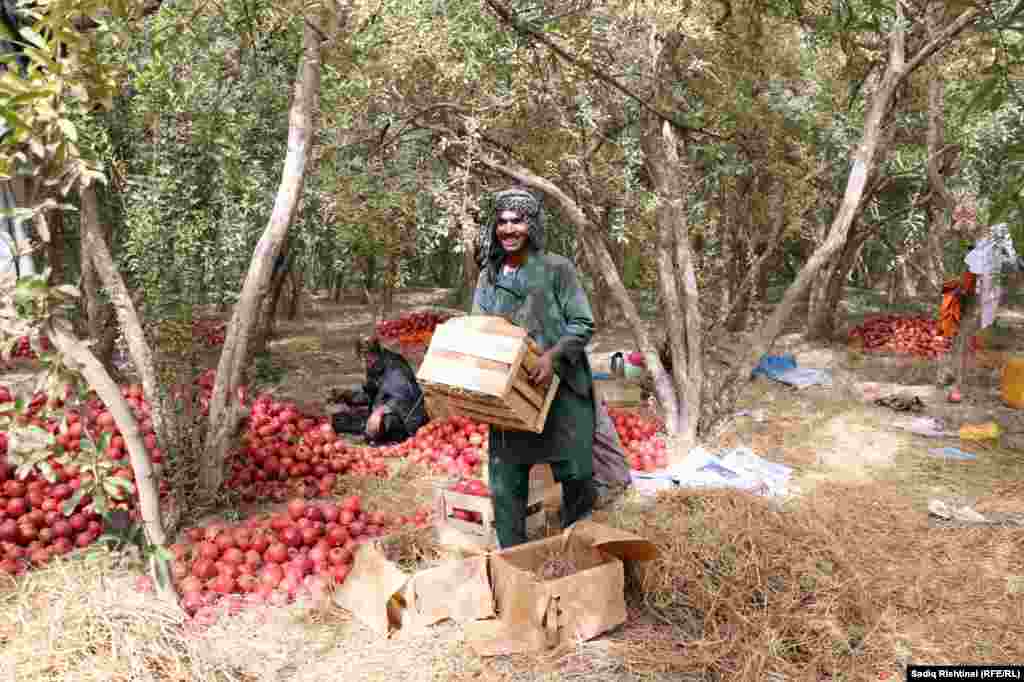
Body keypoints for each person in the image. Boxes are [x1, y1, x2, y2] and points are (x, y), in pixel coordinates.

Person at [472, 187, 598, 549]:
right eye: (502, 222)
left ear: (532, 225)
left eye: (517, 221)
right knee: (505, 477)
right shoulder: (489, 277)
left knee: (577, 472)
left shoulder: (557, 269)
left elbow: (582, 324)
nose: (508, 229)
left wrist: (551, 357)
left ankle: (578, 544)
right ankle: (512, 556)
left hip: (561, 388)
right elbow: (480, 328)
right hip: (510, 394)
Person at [329, 336, 428, 444]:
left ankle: (382, 433)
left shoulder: (395, 368)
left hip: (406, 419)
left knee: (376, 425)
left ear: (377, 353)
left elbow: (402, 398)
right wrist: (348, 396)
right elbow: (371, 391)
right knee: (339, 420)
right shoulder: (374, 365)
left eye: (368, 359)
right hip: (386, 409)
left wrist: (378, 412)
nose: (366, 363)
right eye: (363, 359)